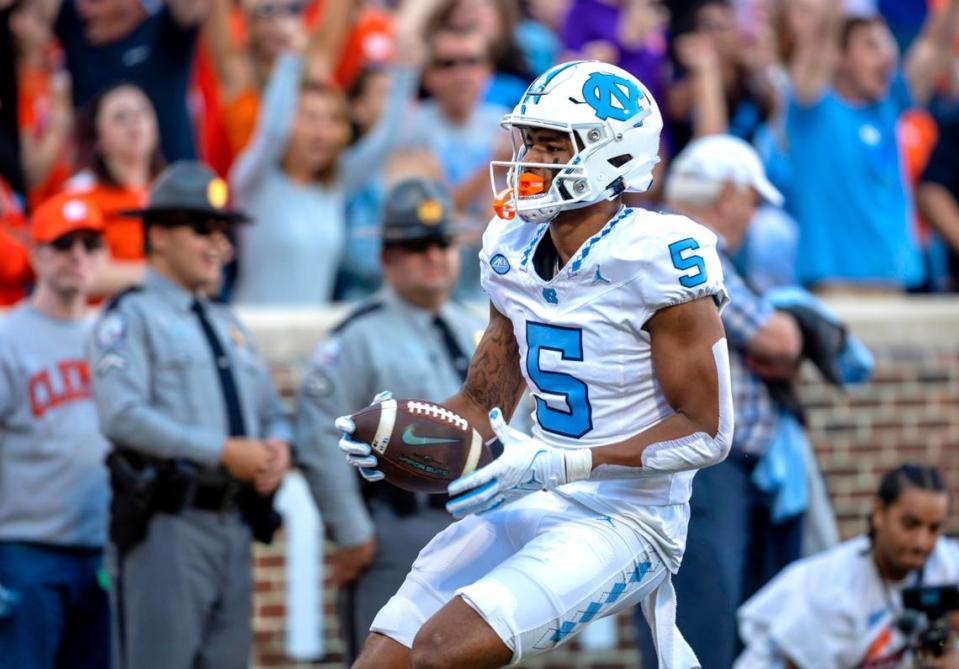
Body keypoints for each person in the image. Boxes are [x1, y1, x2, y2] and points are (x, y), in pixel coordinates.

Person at [338, 60, 733, 668]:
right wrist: (403, 433)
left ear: (613, 156)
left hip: (626, 516)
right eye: (530, 141)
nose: (529, 160)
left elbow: (708, 430)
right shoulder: (512, 246)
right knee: (384, 657)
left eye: (552, 145)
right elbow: (481, 403)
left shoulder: (659, 256)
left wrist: (559, 462)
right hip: (532, 492)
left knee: (440, 653)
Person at [87, 161, 292, 669]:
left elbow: (270, 411)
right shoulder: (129, 316)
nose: (219, 244)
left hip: (232, 521)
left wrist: (278, 448)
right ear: (156, 234)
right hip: (167, 526)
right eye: (203, 229)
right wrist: (221, 451)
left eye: (223, 231)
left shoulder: (227, 322)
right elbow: (122, 415)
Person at [298, 178, 489, 662]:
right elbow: (319, 433)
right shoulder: (358, 337)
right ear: (386, 258)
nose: (434, 256)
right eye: (416, 246)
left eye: (443, 242)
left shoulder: (474, 329)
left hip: (477, 528)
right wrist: (352, 531)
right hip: (396, 530)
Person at [634, 134, 803, 669]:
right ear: (727, 195)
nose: (752, 218)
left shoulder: (687, 242)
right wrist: (794, 329)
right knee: (697, 628)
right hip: (695, 469)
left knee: (736, 624)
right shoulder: (682, 244)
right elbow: (780, 341)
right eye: (751, 202)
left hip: (716, 466)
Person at [228, 0, 426, 305]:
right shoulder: (254, 179)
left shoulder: (333, 186)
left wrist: (404, 73)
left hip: (310, 338)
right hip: (255, 335)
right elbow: (272, 133)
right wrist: (291, 59)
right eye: (309, 118)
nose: (322, 131)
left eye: (332, 120)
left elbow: (383, 144)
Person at [0, 192, 110, 669]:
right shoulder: (8, 336)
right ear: (37, 253)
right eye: (64, 244)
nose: (78, 256)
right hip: (26, 552)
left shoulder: (113, 334)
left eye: (89, 243)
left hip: (104, 551)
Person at [784, 0, 959, 290]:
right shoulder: (811, 110)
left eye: (887, 44)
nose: (888, 56)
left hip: (897, 285)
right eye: (871, 46)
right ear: (838, 57)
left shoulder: (890, 104)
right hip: (834, 289)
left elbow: (934, 47)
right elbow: (816, 45)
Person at [736, 463, 959, 669]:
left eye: (934, 529)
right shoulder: (831, 588)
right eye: (910, 525)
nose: (922, 543)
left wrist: (945, 649)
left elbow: (939, 648)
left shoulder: (945, 563)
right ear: (879, 514)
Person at [29, 0, 212, 162]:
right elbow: (34, 16)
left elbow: (192, 9)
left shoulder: (164, 31)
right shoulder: (75, 28)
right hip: (101, 186)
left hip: (172, 179)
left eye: (96, 1)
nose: (83, 8)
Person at [69, 83, 164, 299]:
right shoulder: (81, 198)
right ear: (97, 139)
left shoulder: (173, 193)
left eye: (143, 111)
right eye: (120, 117)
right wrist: (172, 276)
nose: (135, 121)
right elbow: (91, 275)